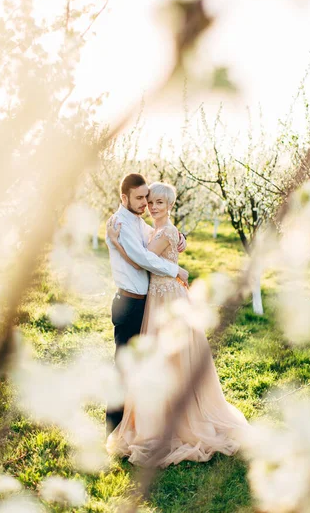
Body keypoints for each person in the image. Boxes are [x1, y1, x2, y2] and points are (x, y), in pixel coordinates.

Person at [106, 181, 248, 467]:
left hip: (167, 298)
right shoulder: (151, 228)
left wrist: (118, 242)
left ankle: (179, 418)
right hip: (157, 297)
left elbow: (141, 260)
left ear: (170, 206)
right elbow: (144, 252)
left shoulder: (165, 230)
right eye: (149, 201)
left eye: (159, 202)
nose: (152, 206)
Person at [105, 173, 189, 434]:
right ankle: (113, 429)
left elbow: (159, 236)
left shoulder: (138, 222)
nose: (145, 203)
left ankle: (141, 423)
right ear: (124, 198)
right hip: (129, 304)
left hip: (148, 303)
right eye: (140, 198)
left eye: (148, 198)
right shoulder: (120, 223)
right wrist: (176, 270)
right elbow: (143, 257)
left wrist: (179, 236)